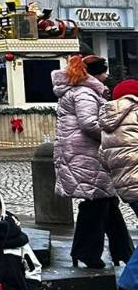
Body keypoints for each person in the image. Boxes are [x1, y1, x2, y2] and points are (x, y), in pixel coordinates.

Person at [55, 55, 135, 269]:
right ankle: (88, 253)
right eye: (103, 71)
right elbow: (89, 124)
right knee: (97, 203)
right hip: (86, 156)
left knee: (106, 203)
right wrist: (116, 135)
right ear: (94, 73)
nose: (107, 75)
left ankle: (123, 252)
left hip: (85, 154)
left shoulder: (82, 91)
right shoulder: (84, 92)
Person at [100, 80, 138, 255]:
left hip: (125, 186)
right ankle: (129, 281)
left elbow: (103, 155)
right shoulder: (135, 111)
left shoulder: (108, 121)